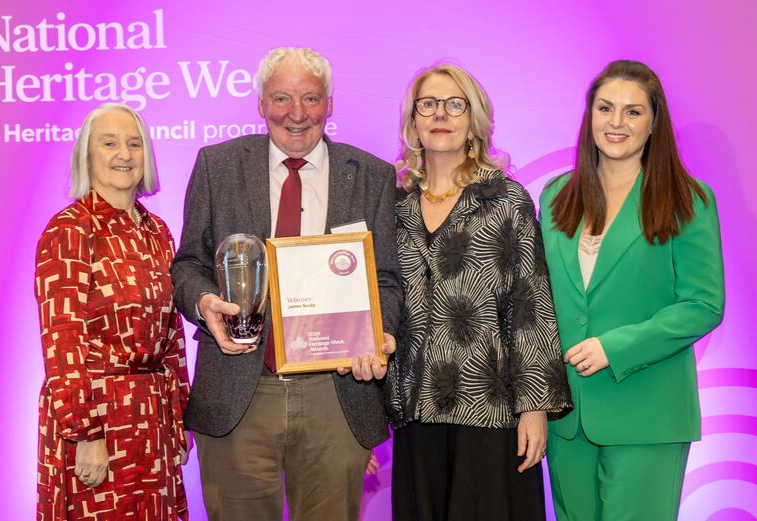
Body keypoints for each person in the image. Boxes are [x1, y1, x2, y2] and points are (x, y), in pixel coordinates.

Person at [170, 47, 403, 521]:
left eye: (311, 98)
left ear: (330, 104)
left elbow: (386, 281)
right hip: (239, 389)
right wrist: (204, 302)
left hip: (335, 395)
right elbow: (187, 263)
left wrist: (381, 333)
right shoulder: (218, 166)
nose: (297, 114)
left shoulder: (372, 176)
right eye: (281, 98)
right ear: (260, 104)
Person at [539, 60, 725, 520]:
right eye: (605, 108)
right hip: (567, 417)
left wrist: (614, 347)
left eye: (633, 112)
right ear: (590, 116)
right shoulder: (555, 195)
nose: (616, 123)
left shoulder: (689, 199)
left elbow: (703, 304)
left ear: (654, 123)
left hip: (648, 411)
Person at [386, 63, 571, 521]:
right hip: (415, 407)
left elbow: (530, 306)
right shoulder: (392, 204)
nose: (440, 115)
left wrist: (535, 408)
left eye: (455, 104)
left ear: (474, 121)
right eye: (427, 104)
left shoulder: (506, 199)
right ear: (412, 121)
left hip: (490, 410)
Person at [35, 103, 191, 520]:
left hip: (152, 419)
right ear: (88, 155)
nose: (124, 154)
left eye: (134, 144)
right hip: (96, 419)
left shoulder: (157, 231)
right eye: (109, 143)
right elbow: (62, 342)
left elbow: (172, 334)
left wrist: (179, 415)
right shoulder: (68, 230)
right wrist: (86, 433)